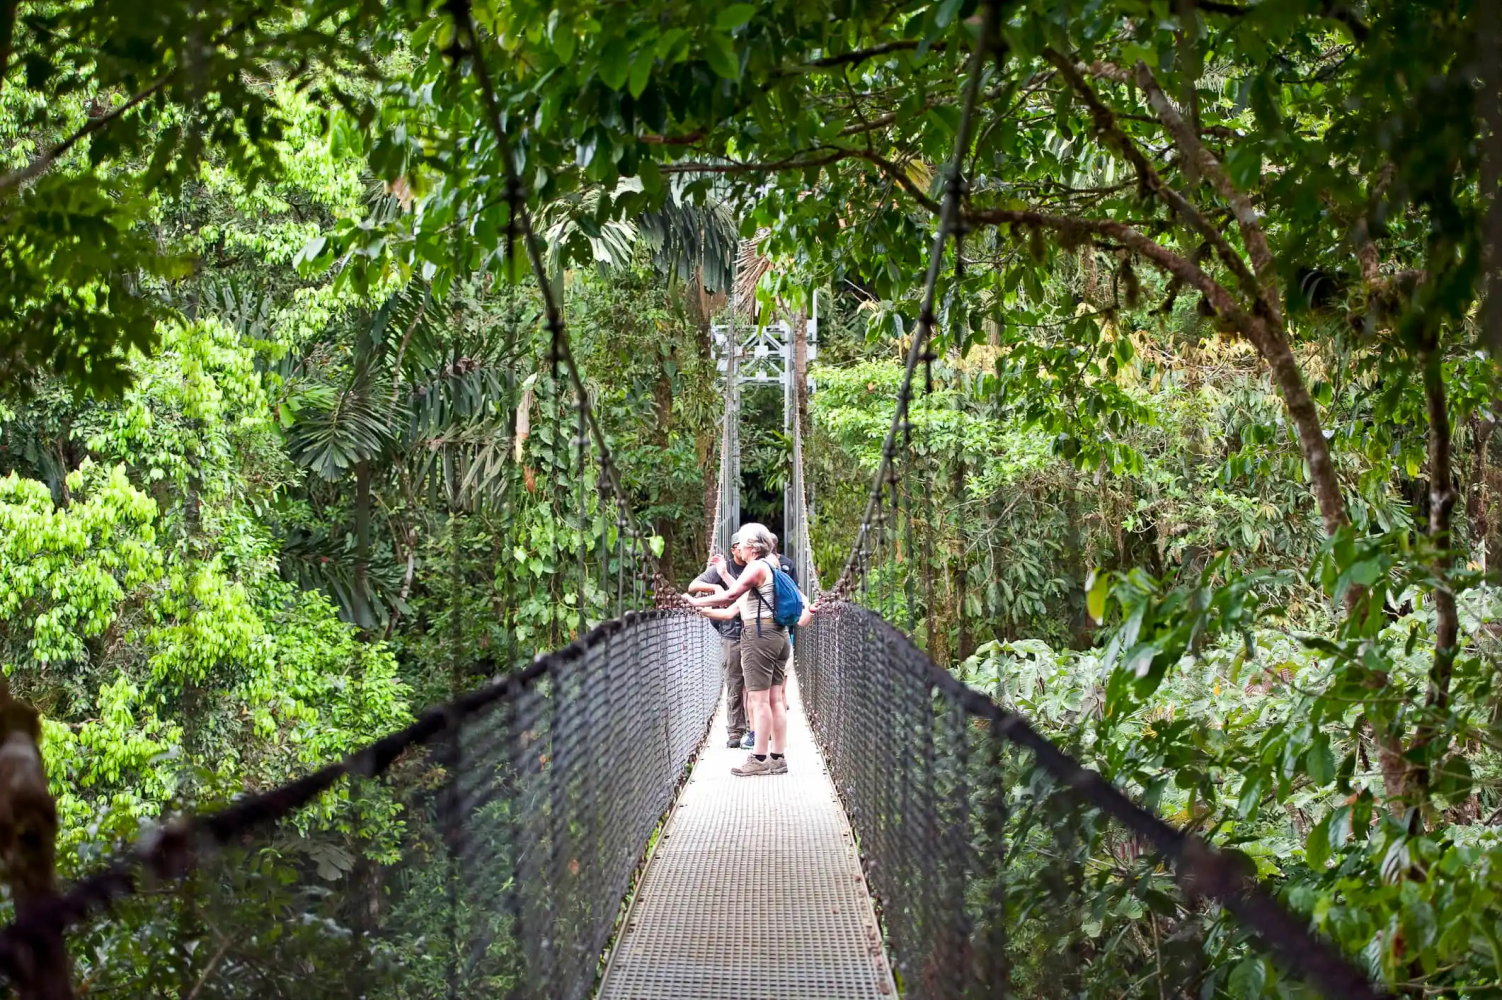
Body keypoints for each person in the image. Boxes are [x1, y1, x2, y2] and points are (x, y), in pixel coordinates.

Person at [686, 522, 811, 777]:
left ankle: (759, 758)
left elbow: (729, 596)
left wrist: (693, 600)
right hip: (779, 635)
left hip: (760, 635)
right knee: (776, 699)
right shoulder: (774, 565)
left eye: (741, 543)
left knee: (758, 700)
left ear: (752, 546)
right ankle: (777, 757)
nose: (738, 548)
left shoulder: (756, 567)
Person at [688, 536, 749, 748]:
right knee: (734, 683)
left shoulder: (756, 567)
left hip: (753, 632)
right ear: (734, 549)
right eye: (744, 545)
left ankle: (754, 729)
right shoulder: (724, 567)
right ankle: (735, 732)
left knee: (753, 685)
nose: (749, 549)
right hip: (731, 633)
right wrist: (716, 589)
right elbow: (693, 586)